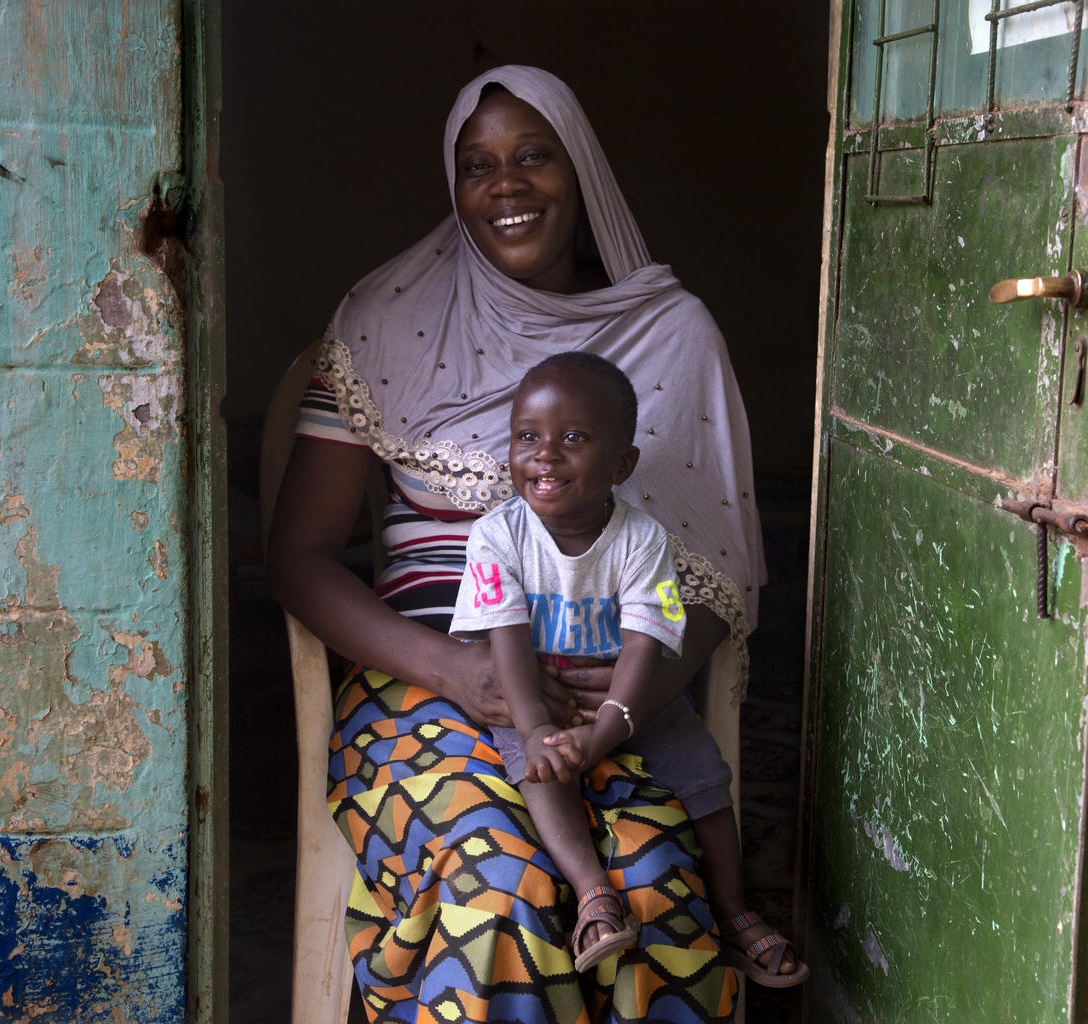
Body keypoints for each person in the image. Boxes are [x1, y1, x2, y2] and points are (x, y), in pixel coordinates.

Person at [268, 64, 771, 1022]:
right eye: (477, 165)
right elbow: (299, 555)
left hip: (609, 692)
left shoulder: (670, 334)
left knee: (655, 887)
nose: (506, 184)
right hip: (421, 681)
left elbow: (713, 571)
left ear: (580, 169)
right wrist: (460, 675)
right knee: (498, 890)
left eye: (534, 155)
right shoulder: (385, 323)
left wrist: (630, 700)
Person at [450, 352, 809, 986]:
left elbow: (648, 640)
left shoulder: (646, 541)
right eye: (527, 436)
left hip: (632, 693)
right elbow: (504, 640)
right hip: (538, 693)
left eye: (574, 439)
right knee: (542, 774)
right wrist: (536, 730)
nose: (546, 454)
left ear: (622, 465)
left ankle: (733, 908)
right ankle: (596, 897)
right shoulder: (495, 537)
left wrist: (613, 723)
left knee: (706, 777)